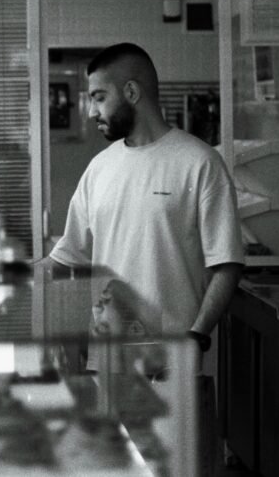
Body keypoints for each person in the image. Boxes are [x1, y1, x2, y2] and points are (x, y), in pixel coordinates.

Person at [45, 42, 243, 356]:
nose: (93, 111)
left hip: (173, 361)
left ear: (132, 93)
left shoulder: (199, 162)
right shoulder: (99, 168)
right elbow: (65, 259)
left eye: (99, 97)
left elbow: (227, 265)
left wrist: (196, 337)